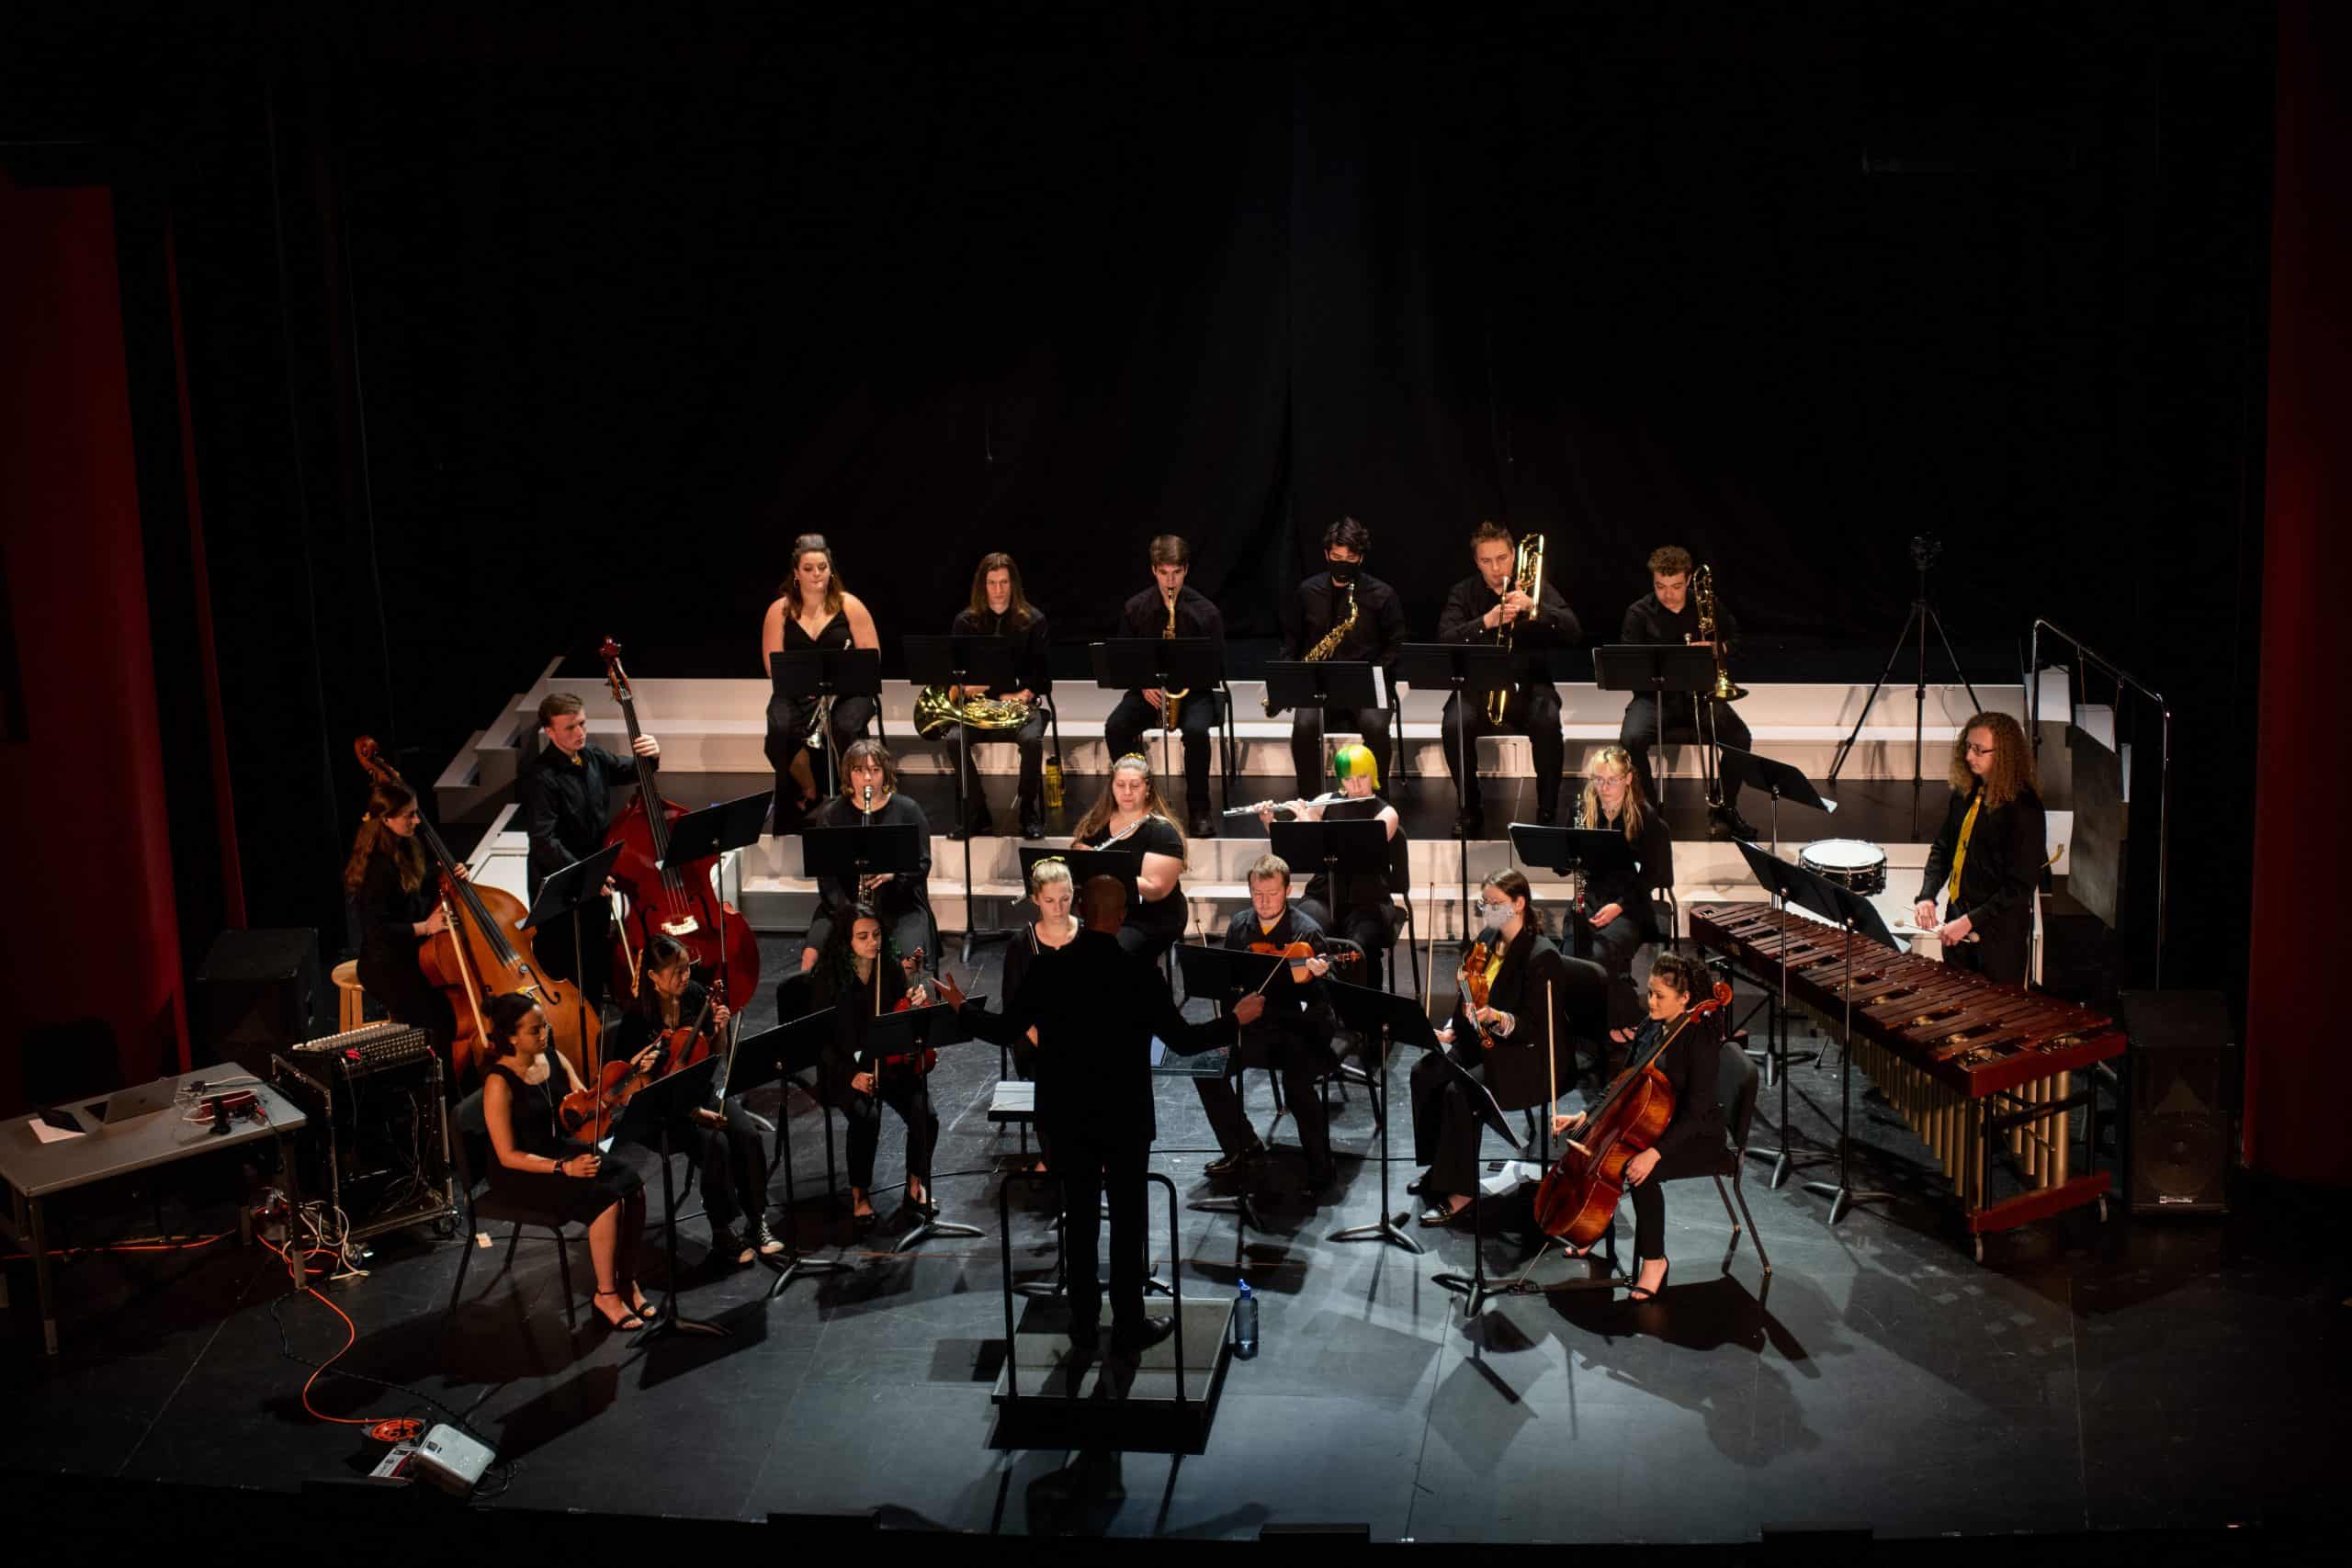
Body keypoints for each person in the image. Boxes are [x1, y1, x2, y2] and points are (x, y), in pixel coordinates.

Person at [939, 876, 1260, 1359]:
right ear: (1125, 912)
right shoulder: (1141, 974)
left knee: (1081, 1219)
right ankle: (1129, 1325)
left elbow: (1006, 1029)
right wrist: (1237, 1017)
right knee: (1129, 1223)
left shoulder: (1049, 968)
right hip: (1124, 1117)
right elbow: (1185, 1041)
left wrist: (963, 1009)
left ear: (1083, 910)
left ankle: (1084, 1328)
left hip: (1066, 1116)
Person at [1408, 869, 1583, 1224]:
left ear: (1519, 904)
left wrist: (1496, 1017)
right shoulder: (1488, 937)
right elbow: (1469, 991)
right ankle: (1438, 1171)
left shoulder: (1541, 956)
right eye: (1483, 903)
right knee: (1424, 1073)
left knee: (1461, 1092)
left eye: (1495, 903)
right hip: (1483, 1043)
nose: (1487, 910)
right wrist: (1453, 1028)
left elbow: (1536, 1027)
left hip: (1527, 1056)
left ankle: (1462, 1192)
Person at [1553, 952, 1726, 1302]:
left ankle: (1654, 1260)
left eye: (1660, 996)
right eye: (1649, 992)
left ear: (1686, 999)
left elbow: (1696, 1113)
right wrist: (1587, 1115)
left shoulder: (1700, 1041)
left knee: (1638, 1170)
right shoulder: (1650, 1026)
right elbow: (1623, 1083)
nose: (1651, 1001)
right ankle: (1592, 1229)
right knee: (1597, 1149)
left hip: (1695, 1135)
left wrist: (1653, 1153)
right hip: (1651, 1123)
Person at [476, 991, 655, 1330]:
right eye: (535, 1030)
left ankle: (626, 1280)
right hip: (520, 1173)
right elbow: (507, 1155)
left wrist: (628, 1078)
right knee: (605, 1200)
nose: (544, 1034)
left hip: (558, 1150)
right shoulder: (498, 1084)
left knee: (633, 1186)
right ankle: (606, 1294)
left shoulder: (555, 1058)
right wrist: (564, 1168)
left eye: (544, 1026)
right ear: (511, 1037)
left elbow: (586, 1106)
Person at [605, 936, 778, 1268]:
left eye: (687, 969)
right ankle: (723, 1229)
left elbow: (716, 1055)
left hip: (697, 1091)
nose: (685, 977)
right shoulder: (636, 1017)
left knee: (747, 1135)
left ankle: (756, 1222)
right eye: (676, 972)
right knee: (715, 1145)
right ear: (653, 977)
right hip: (658, 1109)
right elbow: (623, 1082)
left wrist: (720, 1030)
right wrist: (639, 1066)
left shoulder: (696, 996)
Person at [1196, 855, 1340, 1192]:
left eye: (1272, 894)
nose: (1263, 902)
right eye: (1257, 893)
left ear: (1288, 891)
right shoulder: (1240, 926)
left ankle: (1321, 1163)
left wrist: (1315, 978)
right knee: (1205, 1067)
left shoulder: (1306, 932)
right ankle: (1243, 1146)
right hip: (1257, 1026)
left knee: (1297, 1085)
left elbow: (1324, 1000)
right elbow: (1232, 984)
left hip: (1301, 1028)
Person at [517, 690, 660, 1007]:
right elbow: (544, 841)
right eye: (569, 728)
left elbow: (634, 770)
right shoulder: (541, 777)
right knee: (567, 966)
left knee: (595, 957)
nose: (579, 733)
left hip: (595, 877)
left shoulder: (592, 756)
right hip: (562, 884)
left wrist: (651, 754)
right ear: (549, 732)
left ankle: (596, 1028)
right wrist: (588, 877)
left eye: (581, 723)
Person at [1436, 520, 1580, 834]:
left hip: (1530, 686)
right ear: (1477, 562)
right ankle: (1469, 808)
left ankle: (1546, 812)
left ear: (1514, 556)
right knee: (1453, 723)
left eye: (1501, 558)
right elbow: (1445, 639)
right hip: (1478, 687)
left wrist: (1536, 608)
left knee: (1548, 723)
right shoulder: (1464, 593)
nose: (1495, 568)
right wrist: (1485, 622)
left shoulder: (1535, 588)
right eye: (1486, 561)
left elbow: (1573, 630)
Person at [808, 904, 937, 1230]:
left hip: (887, 1063)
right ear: (845, 941)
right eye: (863, 936)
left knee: (927, 1114)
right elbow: (821, 1044)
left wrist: (914, 1005)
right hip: (844, 1070)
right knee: (867, 1117)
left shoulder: (889, 970)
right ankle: (860, 1195)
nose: (872, 942)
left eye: (877, 935)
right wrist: (852, 1077)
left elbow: (900, 1021)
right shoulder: (828, 980)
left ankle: (914, 1185)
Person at [1615, 545, 1757, 839]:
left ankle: (1725, 809)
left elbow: (1738, 641)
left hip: (1701, 696)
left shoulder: (1708, 604)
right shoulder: (1638, 613)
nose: (1668, 594)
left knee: (1740, 737)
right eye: (1660, 586)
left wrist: (1718, 648)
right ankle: (1648, 812)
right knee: (1630, 738)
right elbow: (1629, 665)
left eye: (1676, 586)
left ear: (1689, 579)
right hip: (1655, 699)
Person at [1103, 535, 1225, 837]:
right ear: (1154, 571)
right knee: (1116, 726)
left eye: (1177, 573)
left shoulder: (1206, 612)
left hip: (1193, 691)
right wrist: (1143, 684)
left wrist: (1186, 681)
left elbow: (1217, 668)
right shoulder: (1136, 609)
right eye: (1164, 573)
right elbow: (1122, 664)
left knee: (1197, 732)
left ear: (1186, 570)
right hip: (1149, 691)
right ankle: (1140, 799)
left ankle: (1199, 809)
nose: (1170, 582)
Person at [1261, 741, 1408, 991]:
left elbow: (1360, 852)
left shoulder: (1386, 813)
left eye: (1362, 777)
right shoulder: (1326, 801)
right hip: (1323, 893)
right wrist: (1270, 821)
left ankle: (1361, 1010)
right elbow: (1290, 843)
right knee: (1303, 932)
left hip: (1367, 898)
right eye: (1349, 779)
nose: (1357, 785)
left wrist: (1310, 821)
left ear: (1372, 774)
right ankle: (1313, 1003)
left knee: (1358, 945)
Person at [1914, 710, 2046, 986]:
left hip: (1997, 934)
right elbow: (1943, 847)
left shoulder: (2024, 809)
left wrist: (1969, 921)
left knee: (1993, 1017)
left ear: (2005, 755)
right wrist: (1927, 895)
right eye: (1968, 747)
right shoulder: (1965, 793)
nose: (1969, 757)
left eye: (1978, 750)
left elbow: (2020, 886)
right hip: (1957, 920)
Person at [1279, 516, 1407, 798]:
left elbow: (1396, 646)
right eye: (1336, 557)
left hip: (1366, 684)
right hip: (1318, 685)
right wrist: (1292, 679)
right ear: (1326, 554)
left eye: (1349, 558)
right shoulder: (1308, 591)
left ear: (1360, 558)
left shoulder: (1381, 594)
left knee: (1374, 726)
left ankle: (1377, 798)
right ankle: (1309, 800)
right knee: (1304, 725)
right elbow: (1291, 643)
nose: (1341, 564)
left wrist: (1375, 672)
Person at [762, 533, 881, 826]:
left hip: (849, 693)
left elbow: (871, 658)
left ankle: (850, 798)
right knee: (779, 727)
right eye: (809, 568)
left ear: (830, 569)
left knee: (846, 725)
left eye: (822, 567)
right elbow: (771, 666)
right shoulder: (779, 611)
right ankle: (809, 790)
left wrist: (841, 684)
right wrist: (805, 688)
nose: (817, 574)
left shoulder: (849, 605)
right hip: (797, 693)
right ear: (796, 574)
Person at [798, 739, 933, 976]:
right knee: (810, 959)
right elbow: (826, 877)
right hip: (844, 906)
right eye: (859, 771)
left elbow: (922, 864)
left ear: (885, 773)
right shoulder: (831, 814)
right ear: (848, 775)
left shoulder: (908, 810)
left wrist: (894, 874)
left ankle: (901, 1009)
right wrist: (849, 913)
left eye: (874, 770)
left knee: (908, 965)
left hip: (899, 905)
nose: (867, 779)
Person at [345, 779, 457, 1059]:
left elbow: (419, 884)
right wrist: (426, 927)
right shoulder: (376, 869)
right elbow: (377, 930)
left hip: (409, 953)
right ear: (387, 819)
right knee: (437, 1020)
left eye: (416, 813)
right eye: (410, 815)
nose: (417, 821)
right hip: (385, 964)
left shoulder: (405, 846)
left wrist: (452, 873)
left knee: (445, 1012)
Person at [1572, 745, 1676, 1046]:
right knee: (1572, 953)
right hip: (1589, 897)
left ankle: (1624, 1017)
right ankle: (1594, 1019)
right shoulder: (1581, 810)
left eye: (1612, 780)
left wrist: (1618, 907)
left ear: (1628, 779)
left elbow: (1654, 877)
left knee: (1602, 953)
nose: (1604, 788)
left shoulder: (1645, 818)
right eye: (1597, 780)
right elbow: (1563, 864)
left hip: (1631, 903)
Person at [946, 551, 1054, 841]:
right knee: (954, 739)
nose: (997, 590)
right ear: (983, 585)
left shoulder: (1033, 621)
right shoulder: (965, 623)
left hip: (1019, 705)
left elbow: (1043, 678)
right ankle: (976, 814)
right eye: (992, 583)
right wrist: (965, 688)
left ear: (1013, 585)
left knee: (1032, 741)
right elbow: (955, 674)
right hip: (979, 706)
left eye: (1003, 583)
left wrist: (1023, 693)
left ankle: (1028, 812)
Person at [1070, 753, 1189, 966]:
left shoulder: (1161, 831)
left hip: (1150, 917)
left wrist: (1101, 864)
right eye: (1120, 785)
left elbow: (1154, 891)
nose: (1127, 792)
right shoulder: (1096, 823)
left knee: (1110, 955)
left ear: (1148, 788)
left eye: (1135, 786)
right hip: (1104, 911)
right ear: (1112, 787)